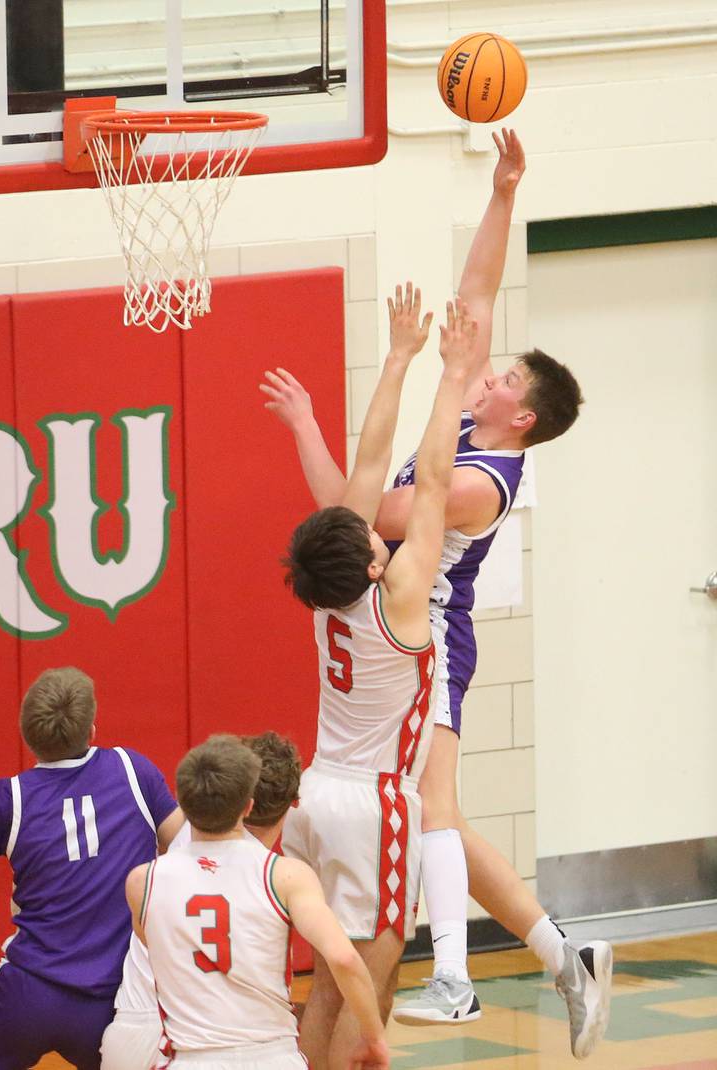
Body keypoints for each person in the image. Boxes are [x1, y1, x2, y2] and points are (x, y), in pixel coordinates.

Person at [261, 129, 612, 1061]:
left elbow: (358, 503)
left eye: (497, 376)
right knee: (437, 818)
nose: (484, 366)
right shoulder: (471, 404)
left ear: (518, 414)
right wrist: (501, 193)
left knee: (437, 814)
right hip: (399, 626)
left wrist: (325, 418)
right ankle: (559, 955)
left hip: (428, 634)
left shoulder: (480, 478)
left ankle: (455, 976)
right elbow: (481, 292)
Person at [269, 285, 484, 1069]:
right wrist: (450, 376)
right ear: (367, 558)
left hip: (317, 790)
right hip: (374, 806)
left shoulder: (328, 597)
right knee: (359, 981)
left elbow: (367, 464)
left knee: (333, 976)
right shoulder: (398, 600)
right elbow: (430, 483)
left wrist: (398, 358)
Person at [0, 666, 181, 1070]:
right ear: (92, 728)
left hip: (27, 991)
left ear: (27, 733)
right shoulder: (132, 770)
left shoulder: (11, 798)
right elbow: (188, 848)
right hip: (113, 999)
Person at [125, 734, 389, 1070]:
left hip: (192, 1058)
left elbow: (158, 948)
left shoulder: (141, 882)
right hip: (273, 1058)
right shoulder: (287, 875)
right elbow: (343, 958)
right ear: (247, 806)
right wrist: (373, 1035)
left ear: (184, 806)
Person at [100, 730, 303, 1070]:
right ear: (290, 806)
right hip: (205, 1042)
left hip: (133, 1030)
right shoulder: (276, 878)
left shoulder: (182, 835)